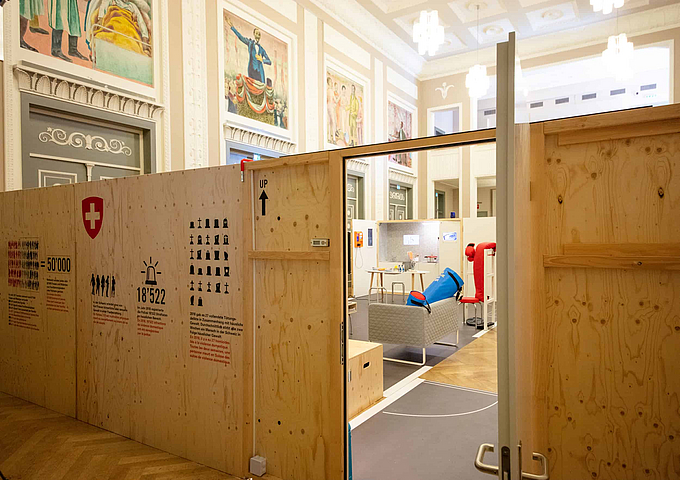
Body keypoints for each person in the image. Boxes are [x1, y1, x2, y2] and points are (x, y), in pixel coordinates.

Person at [226, 15, 271, 84]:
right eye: (257, 33)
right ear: (254, 34)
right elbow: (241, 37)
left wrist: (262, 60)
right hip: (252, 70)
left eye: (259, 34)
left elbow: (269, 62)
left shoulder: (262, 49)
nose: (258, 35)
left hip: (260, 73)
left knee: (261, 88)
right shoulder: (250, 43)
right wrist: (232, 27)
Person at [326, 77, 336, 142]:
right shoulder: (331, 91)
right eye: (331, 82)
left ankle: (329, 137)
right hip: (331, 106)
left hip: (328, 106)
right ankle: (334, 138)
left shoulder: (327, 91)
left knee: (330, 122)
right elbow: (335, 100)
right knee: (333, 122)